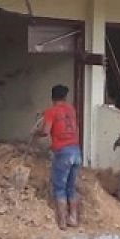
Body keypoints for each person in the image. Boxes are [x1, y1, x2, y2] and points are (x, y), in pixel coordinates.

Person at [32, 84, 82, 229]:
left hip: (63, 153)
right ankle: (73, 218)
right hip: (76, 151)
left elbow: (46, 131)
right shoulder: (71, 110)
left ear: (52, 97)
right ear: (65, 97)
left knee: (59, 188)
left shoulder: (51, 112)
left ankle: (61, 222)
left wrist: (35, 133)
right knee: (71, 187)